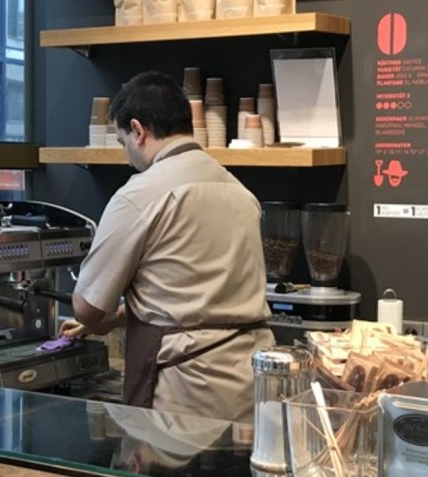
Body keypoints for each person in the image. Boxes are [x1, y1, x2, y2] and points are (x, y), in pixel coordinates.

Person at [61, 71, 274, 422]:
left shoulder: (140, 194)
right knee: (232, 476)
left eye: (122, 141)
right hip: (248, 384)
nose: (126, 154)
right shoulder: (239, 191)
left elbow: (86, 308)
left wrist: (98, 319)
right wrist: (117, 321)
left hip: (182, 389)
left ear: (138, 130)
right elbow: (199, 298)